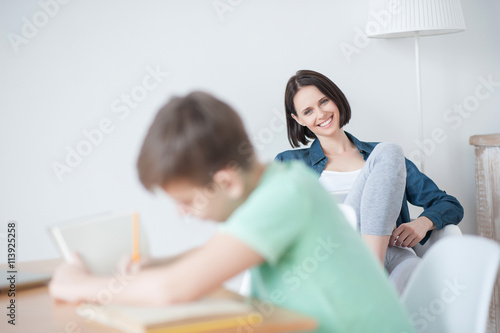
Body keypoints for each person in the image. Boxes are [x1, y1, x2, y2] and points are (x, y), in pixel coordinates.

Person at [49, 91, 416, 332]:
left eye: (187, 201)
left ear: (225, 183)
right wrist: (157, 264)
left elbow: (173, 291)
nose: (183, 213)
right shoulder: (276, 183)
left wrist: (76, 285)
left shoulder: (285, 195)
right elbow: (219, 253)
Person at [275, 70, 463, 293]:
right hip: (336, 255)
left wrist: (424, 222)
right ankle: (370, 278)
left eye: (324, 101)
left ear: (335, 98)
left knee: (415, 274)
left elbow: (449, 204)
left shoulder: (382, 159)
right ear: (298, 119)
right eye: (308, 111)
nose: (321, 113)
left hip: (392, 255)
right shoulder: (290, 163)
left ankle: (372, 287)